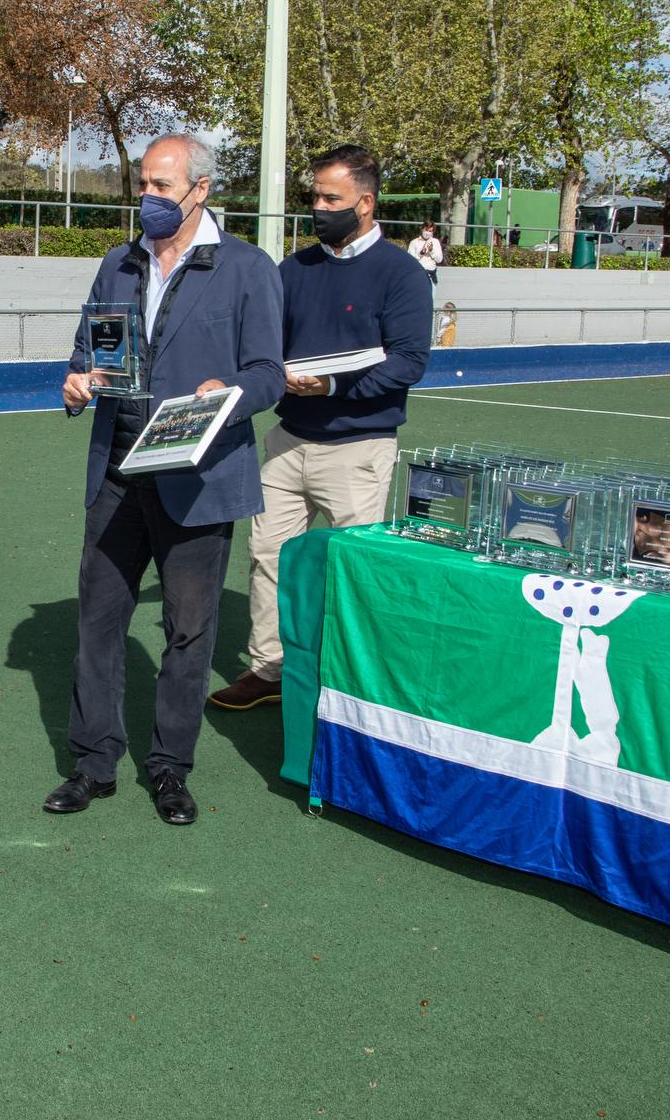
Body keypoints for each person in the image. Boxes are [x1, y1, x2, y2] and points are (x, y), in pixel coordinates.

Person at [48, 133, 284, 824]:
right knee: (98, 620)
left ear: (200, 189)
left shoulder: (246, 267)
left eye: (161, 187)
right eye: (143, 185)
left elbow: (269, 371)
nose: (148, 198)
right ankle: (93, 762)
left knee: (188, 630)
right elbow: (88, 349)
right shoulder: (118, 263)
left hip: (197, 474)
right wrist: (77, 381)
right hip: (119, 467)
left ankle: (170, 769)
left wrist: (230, 392)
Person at [209, 145, 432, 712]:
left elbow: (408, 362)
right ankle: (270, 668)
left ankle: (344, 677)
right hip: (287, 441)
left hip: (358, 449)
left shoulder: (402, 273)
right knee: (268, 557)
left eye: (331, 198)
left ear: (366, 201)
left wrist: (333, 388)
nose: (319, 207)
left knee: (351, 569)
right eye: (314, 197)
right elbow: (263, 349)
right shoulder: (294, 269)